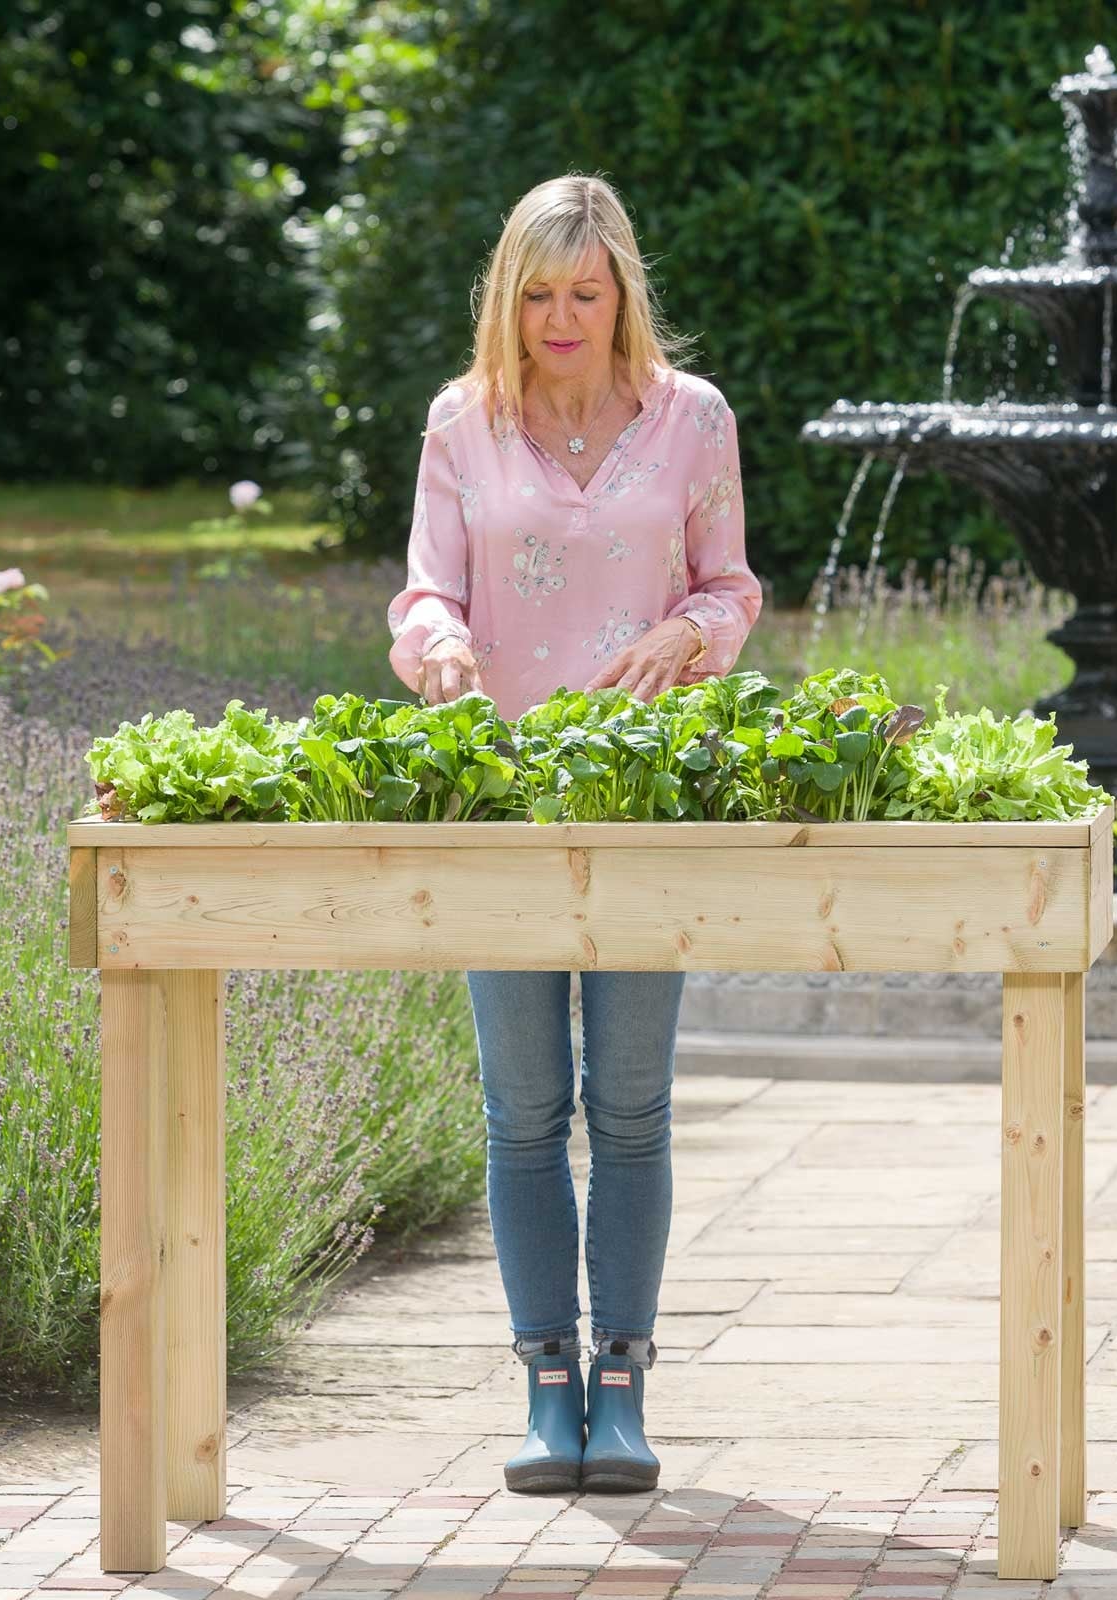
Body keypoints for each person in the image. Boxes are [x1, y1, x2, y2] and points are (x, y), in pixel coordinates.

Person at [384, 172, 763, 1495]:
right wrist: (432, 643)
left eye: (584, 294)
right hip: (504, 799)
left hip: (643, 804)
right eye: (537, 294)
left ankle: (625, 1380)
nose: (560, 317)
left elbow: (731, 584)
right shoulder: (463, 423)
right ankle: (548, 1388)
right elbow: (428, 584)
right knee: (525, 1109)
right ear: (508, 295)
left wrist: (689, 632)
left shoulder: (693, 421)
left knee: (634, 1105)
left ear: (622, 296)